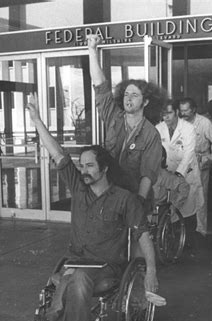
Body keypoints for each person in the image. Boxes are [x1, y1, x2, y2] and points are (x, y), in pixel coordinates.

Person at [25, 93, 159, 321]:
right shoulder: (78, 188)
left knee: (76, 279)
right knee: (73, 276)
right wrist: (37, 120)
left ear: (104, 168)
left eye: (89, 166)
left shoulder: (125, 199)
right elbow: (57, 152)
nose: (83, 170)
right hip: (73, 263)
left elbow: (144, 235)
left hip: (107, 270)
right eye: (82, 165)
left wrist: (152, 274)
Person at [87, 34, 164, 212]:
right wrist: (92, 50)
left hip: (132, 194)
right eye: (126, 94)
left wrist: (139, 202)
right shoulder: (114, 117)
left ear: (145, 102)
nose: (128, 99)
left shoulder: (151, 134)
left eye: (135, 95)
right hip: (107, 191)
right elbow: (100, 86)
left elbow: (148, 174)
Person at [178, 97, 212, 237]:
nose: (183, 113)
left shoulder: (204, 122)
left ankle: (200, 229)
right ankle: (181, 227)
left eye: (186, 110)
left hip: (200, 160)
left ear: (194, 110)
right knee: (181, 193)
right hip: (183, 161)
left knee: (200, 194)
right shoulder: (178, 123)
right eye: (181, 110)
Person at [155, 99, 200, 217]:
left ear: (176, 112)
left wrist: (179, 173)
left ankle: (190, 233)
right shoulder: (158, 128)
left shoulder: (188, 128)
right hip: (167, 174)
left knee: (187, 211)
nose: (166, 117)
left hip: (186, 173)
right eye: (164, 114)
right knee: (169, 212)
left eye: (169, 113)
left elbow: (188, 153)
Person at [152, 147, 190, 211]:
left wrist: (175, 205)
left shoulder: (166, 176)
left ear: (162, 158)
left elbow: (184, 186)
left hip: (158, 213)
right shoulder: (143, 173)